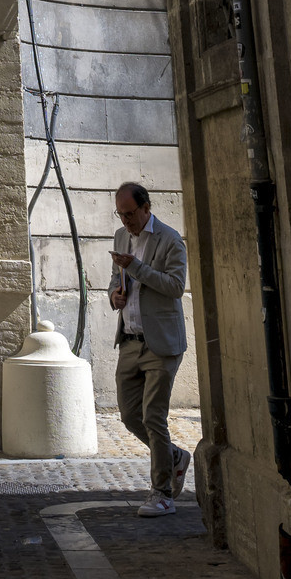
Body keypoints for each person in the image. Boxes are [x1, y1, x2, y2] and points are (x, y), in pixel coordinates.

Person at [110, 181, 192, 516]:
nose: (126, 221)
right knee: (130, 415)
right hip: (129, 340)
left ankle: (162, 494)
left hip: (161, 344)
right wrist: (114, 295)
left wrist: (136, 268)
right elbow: (117, 279)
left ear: (146, 208)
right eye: (120, 214)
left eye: (130, 214)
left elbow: (175, 286)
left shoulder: (170, 240)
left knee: (153, 417)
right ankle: (174, 456)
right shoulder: (120, 236)